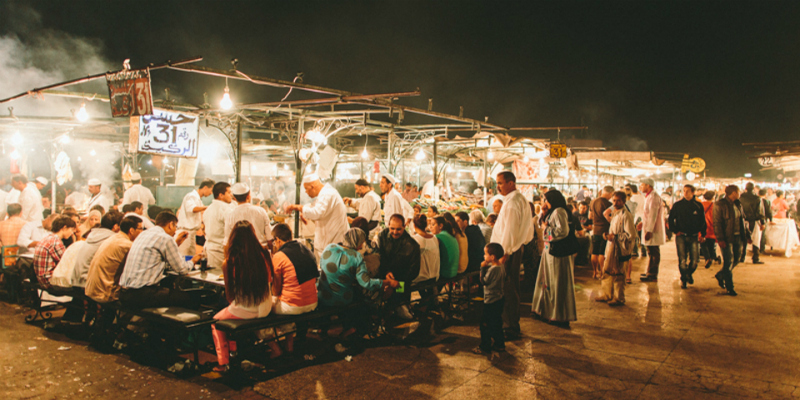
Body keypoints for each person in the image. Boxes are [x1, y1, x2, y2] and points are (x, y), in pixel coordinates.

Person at [209, 221, 274, 370]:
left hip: (246, 309)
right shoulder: (265, 254)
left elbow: (230, 294)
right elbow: (270, 280)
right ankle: (236, 351)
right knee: (231, 313)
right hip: (266, 305)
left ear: (233, 238)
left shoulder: (230, 262)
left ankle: (224, 362)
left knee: (216, 322)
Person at [118, 211, 203, 309]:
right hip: (141, 295)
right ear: (171, 225)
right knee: (190, 298)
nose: (175, 231)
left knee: (168, 288)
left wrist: (176, 243)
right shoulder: (165, 238)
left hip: (124, 293)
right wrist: (193, 260)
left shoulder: (143, 234)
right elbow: (182, 269)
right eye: (176, 227)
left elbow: (157, 261)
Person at [490, 171, 533, 339]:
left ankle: (510, 327)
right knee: (510, 288)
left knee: (508, 289)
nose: (498, 186)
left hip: (508, 252)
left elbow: (510, 230)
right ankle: (510, 324)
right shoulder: (516, 199)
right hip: (512, 250)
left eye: (500, 183)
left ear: (511, 183)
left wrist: (504, 253)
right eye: (497, 183)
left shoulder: (513, 202)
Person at [270, 223, 319, 357]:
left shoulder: (279, 256)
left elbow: (275, 290)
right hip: (313, 303)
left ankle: (280, 345)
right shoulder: (306, 249)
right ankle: (291, 341)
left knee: (266, 306)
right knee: (286, 299)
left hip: (293, 307)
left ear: (278, 240)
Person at [318, 228, 397, 310]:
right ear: (357, 242)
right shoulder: (356, 256)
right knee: (372, 291)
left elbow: (322, 266)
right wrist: (388, 282)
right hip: (342, 299)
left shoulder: (329, 247)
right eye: (362, 242)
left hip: (322, 295)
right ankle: (376, 313)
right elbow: (366, 283)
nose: (362, 245)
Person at [531, 190, 577, 327]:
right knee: (549, 281)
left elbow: (562, 231)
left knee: (557, 282)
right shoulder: (553, 212)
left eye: (546, 200)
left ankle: (558, 315)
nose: (544, 203)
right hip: (550, 252)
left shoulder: (559, 212)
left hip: (558, 253)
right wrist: (544, 214)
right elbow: (542, 224)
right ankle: (547, 311)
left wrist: (546, 229)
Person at [285, 174, 348, 260]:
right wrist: (303, 210)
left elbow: (317, 212)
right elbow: (313, 207)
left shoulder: (327, 194)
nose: (306, 192)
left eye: (306, 189)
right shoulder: (324, 194)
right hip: (328, 245)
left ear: (312, 186)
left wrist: (298, 207)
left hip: (333, 246)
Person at [85, 216, 142, 304]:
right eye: (141, 229)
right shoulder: (126, 245)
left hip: (91, 289)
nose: (142, 232)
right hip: (105, 294)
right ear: (131, 230)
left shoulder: (113, 238)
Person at [376, 214, 421, 319]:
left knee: (398, 304)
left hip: (403, 283)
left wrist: (395, 285)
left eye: (398, 229)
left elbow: (413, 272)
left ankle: (400, 313)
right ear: (388, 225)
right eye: (392, 228)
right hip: (385, 278)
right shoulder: (382, 236)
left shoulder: (412, 245)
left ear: (404, 227)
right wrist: (387, 275)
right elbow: (381, 260)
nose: (395, 232)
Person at [596, 191, 636, 305]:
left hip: (621, 249)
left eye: (618, 200)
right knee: (607, 271)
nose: (616, 203)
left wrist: (616, 237)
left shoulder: (626, 215)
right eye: (614, 200)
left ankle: (619, 298)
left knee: (619, 274)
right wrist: (607, 235)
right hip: (611, 248)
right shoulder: (615, 214)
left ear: (623, 201)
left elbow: (631, 235)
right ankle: (607, 294)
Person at [668, 185, 707, 288]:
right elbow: (671, 219)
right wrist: (675, 230)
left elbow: (702, 221)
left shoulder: (698, 205)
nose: (685, 193)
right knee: (682, 260)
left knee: (694, 261)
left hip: (694, 236)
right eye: (684, 191)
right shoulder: (678, 205)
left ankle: (688, 274)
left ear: (693, 192)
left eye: (688, 191)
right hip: (681, 236)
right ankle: (684, 279)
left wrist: (703, 234)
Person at [713, 185, 750, 296]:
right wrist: (720, 239)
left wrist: (747, 235)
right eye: (738, 192)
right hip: (727, 237)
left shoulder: (738, 204)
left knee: (737, 259)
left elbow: (743, 220)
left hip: (738, 236)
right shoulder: (720, 204)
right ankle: (730, 287)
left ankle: (721, 275)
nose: (740, 193)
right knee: (728, 261)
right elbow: (717, 223)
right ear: (733, 193)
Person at [72, 210, 124, 288]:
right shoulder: (111, 239)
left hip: (76, 281)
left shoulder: (93, 234)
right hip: (89, 284)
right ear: (116, 226)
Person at [473, 242, 506, 355]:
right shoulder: (501, 266)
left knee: (485, 324)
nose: (484, 256)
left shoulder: (492, 269)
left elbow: (484, 281)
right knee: (497, 323)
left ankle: (485, 346)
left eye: (485, 254)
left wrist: (482, 268)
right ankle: (499, 344)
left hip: (491, 300)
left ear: (492, 257)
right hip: (499, 299)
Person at [33, 216, 77, 289]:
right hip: (49, 281)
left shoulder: (47, 238)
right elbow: (67, 263)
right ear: (64, 228)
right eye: (71, 230)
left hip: (41, 279)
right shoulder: (56, 242)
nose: (72, 233)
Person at [224, 183, 273, 248]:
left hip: (240, 252)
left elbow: (228, 241)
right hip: (260, 250)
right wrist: (271, 251)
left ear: (235, 198)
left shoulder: (230, 215)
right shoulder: (261, 211)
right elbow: (269, 237)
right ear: (248, 196)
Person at [176, 179, 214, 256]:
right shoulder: (191, 196)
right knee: (184, 256)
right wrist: (207, 207)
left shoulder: (197, 199)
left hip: (192, 233)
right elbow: (192, 209)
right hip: (185, 232)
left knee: (190, 257)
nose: (211, 193)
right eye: (211, 190)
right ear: (205, 187)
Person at [639, 178, 666, 282]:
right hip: (649, 227)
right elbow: (647, 214)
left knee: (654, 252)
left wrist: (649, 230)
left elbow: (652, 215)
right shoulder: (649, 196)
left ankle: (652, 274)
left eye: (642, 185)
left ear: (648, 186)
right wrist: (642, 223)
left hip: (653, 230)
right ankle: (649, 272)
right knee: (651, 252)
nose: (641, 187)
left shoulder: (654, 197)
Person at [203, 182, 233, 270]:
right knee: (220, 279)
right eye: (229, 192)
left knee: (211, 279)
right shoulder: (226, 210)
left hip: (209, 249)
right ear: (221, 195)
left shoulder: (208, 209)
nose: (231, 195)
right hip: (219, 252)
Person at [589, 186, 614, 280]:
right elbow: (610, 216)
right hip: (604, 230)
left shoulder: (593, 201)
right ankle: (602, 272)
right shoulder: (608, 204)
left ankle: (595, 272)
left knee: (594, 252)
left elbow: (590, 216)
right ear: (610, 193)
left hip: (595, 229)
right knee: (602, 252)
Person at [410, 214, 440, 286]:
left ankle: (400, 295)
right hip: (435, 275)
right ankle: (428, 297)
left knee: (400, 278)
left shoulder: (414, 239)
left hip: (421, 278)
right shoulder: (434, 238)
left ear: (414, 226)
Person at [739, 182, 765, 264]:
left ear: (746, 188)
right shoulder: (757, 198)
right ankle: (755, 257)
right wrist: (762, 222)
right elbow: (760, 212)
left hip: (742, 220)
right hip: (754, 220)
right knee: (756, 240)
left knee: (743, 239)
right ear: (753, 189)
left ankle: (742, 256)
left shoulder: (740, 198)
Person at [430, 215, 460, 280]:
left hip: (445, 273)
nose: (430, 227)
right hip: (454, 271)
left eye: (433, 224)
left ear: (440, 226)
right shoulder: (448, 234)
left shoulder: (438, 237)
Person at [700, 191, 719, 269]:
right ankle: (714, 257)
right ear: (713, 197)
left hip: (702, 227)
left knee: (703, 244)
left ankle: (708, 258)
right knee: (711, 245)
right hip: (711, 227)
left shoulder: (700, 205)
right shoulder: (715, 206)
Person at [758, 189, 773, 254]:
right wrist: (771, 220)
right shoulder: (767, 201)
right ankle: (761, 249)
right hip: (764, 219)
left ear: (758, 194)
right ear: (765, 194)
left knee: (756, 235)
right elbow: (769, 212)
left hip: (756, 220)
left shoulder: (756, 201)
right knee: (762, 234)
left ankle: (756, 248)